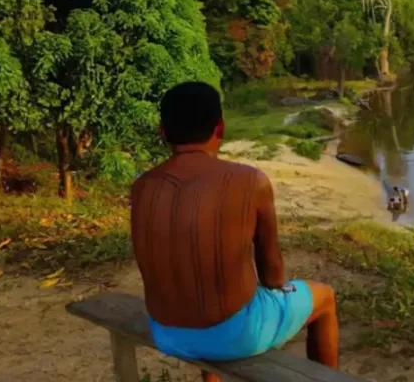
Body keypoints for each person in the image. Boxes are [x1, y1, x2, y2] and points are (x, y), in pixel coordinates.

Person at [130, 82, 339, 381]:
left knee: (208, 295)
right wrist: (279, 286)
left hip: (166, 332)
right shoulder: (250, 181)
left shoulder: (141, 187)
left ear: (163, 132)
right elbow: (272, 276)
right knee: (325, 298)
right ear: (220, 128)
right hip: (236, 335)